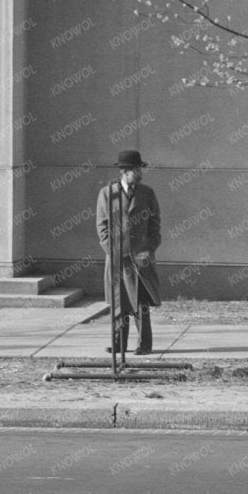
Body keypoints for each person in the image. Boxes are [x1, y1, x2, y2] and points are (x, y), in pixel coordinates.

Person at [96, 150, 163, 356]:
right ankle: (118, 345)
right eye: (135, 169)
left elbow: (155, 223)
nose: (139, 172)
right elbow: (102, 227)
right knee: (119, 303)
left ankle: (144, 345)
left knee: (141, 303)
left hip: (140, 259)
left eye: (139, 168)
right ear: (124, 171)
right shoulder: (107, 193)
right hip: (117, 259)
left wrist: (149, 247)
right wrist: (112, 250)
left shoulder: (147, 193)